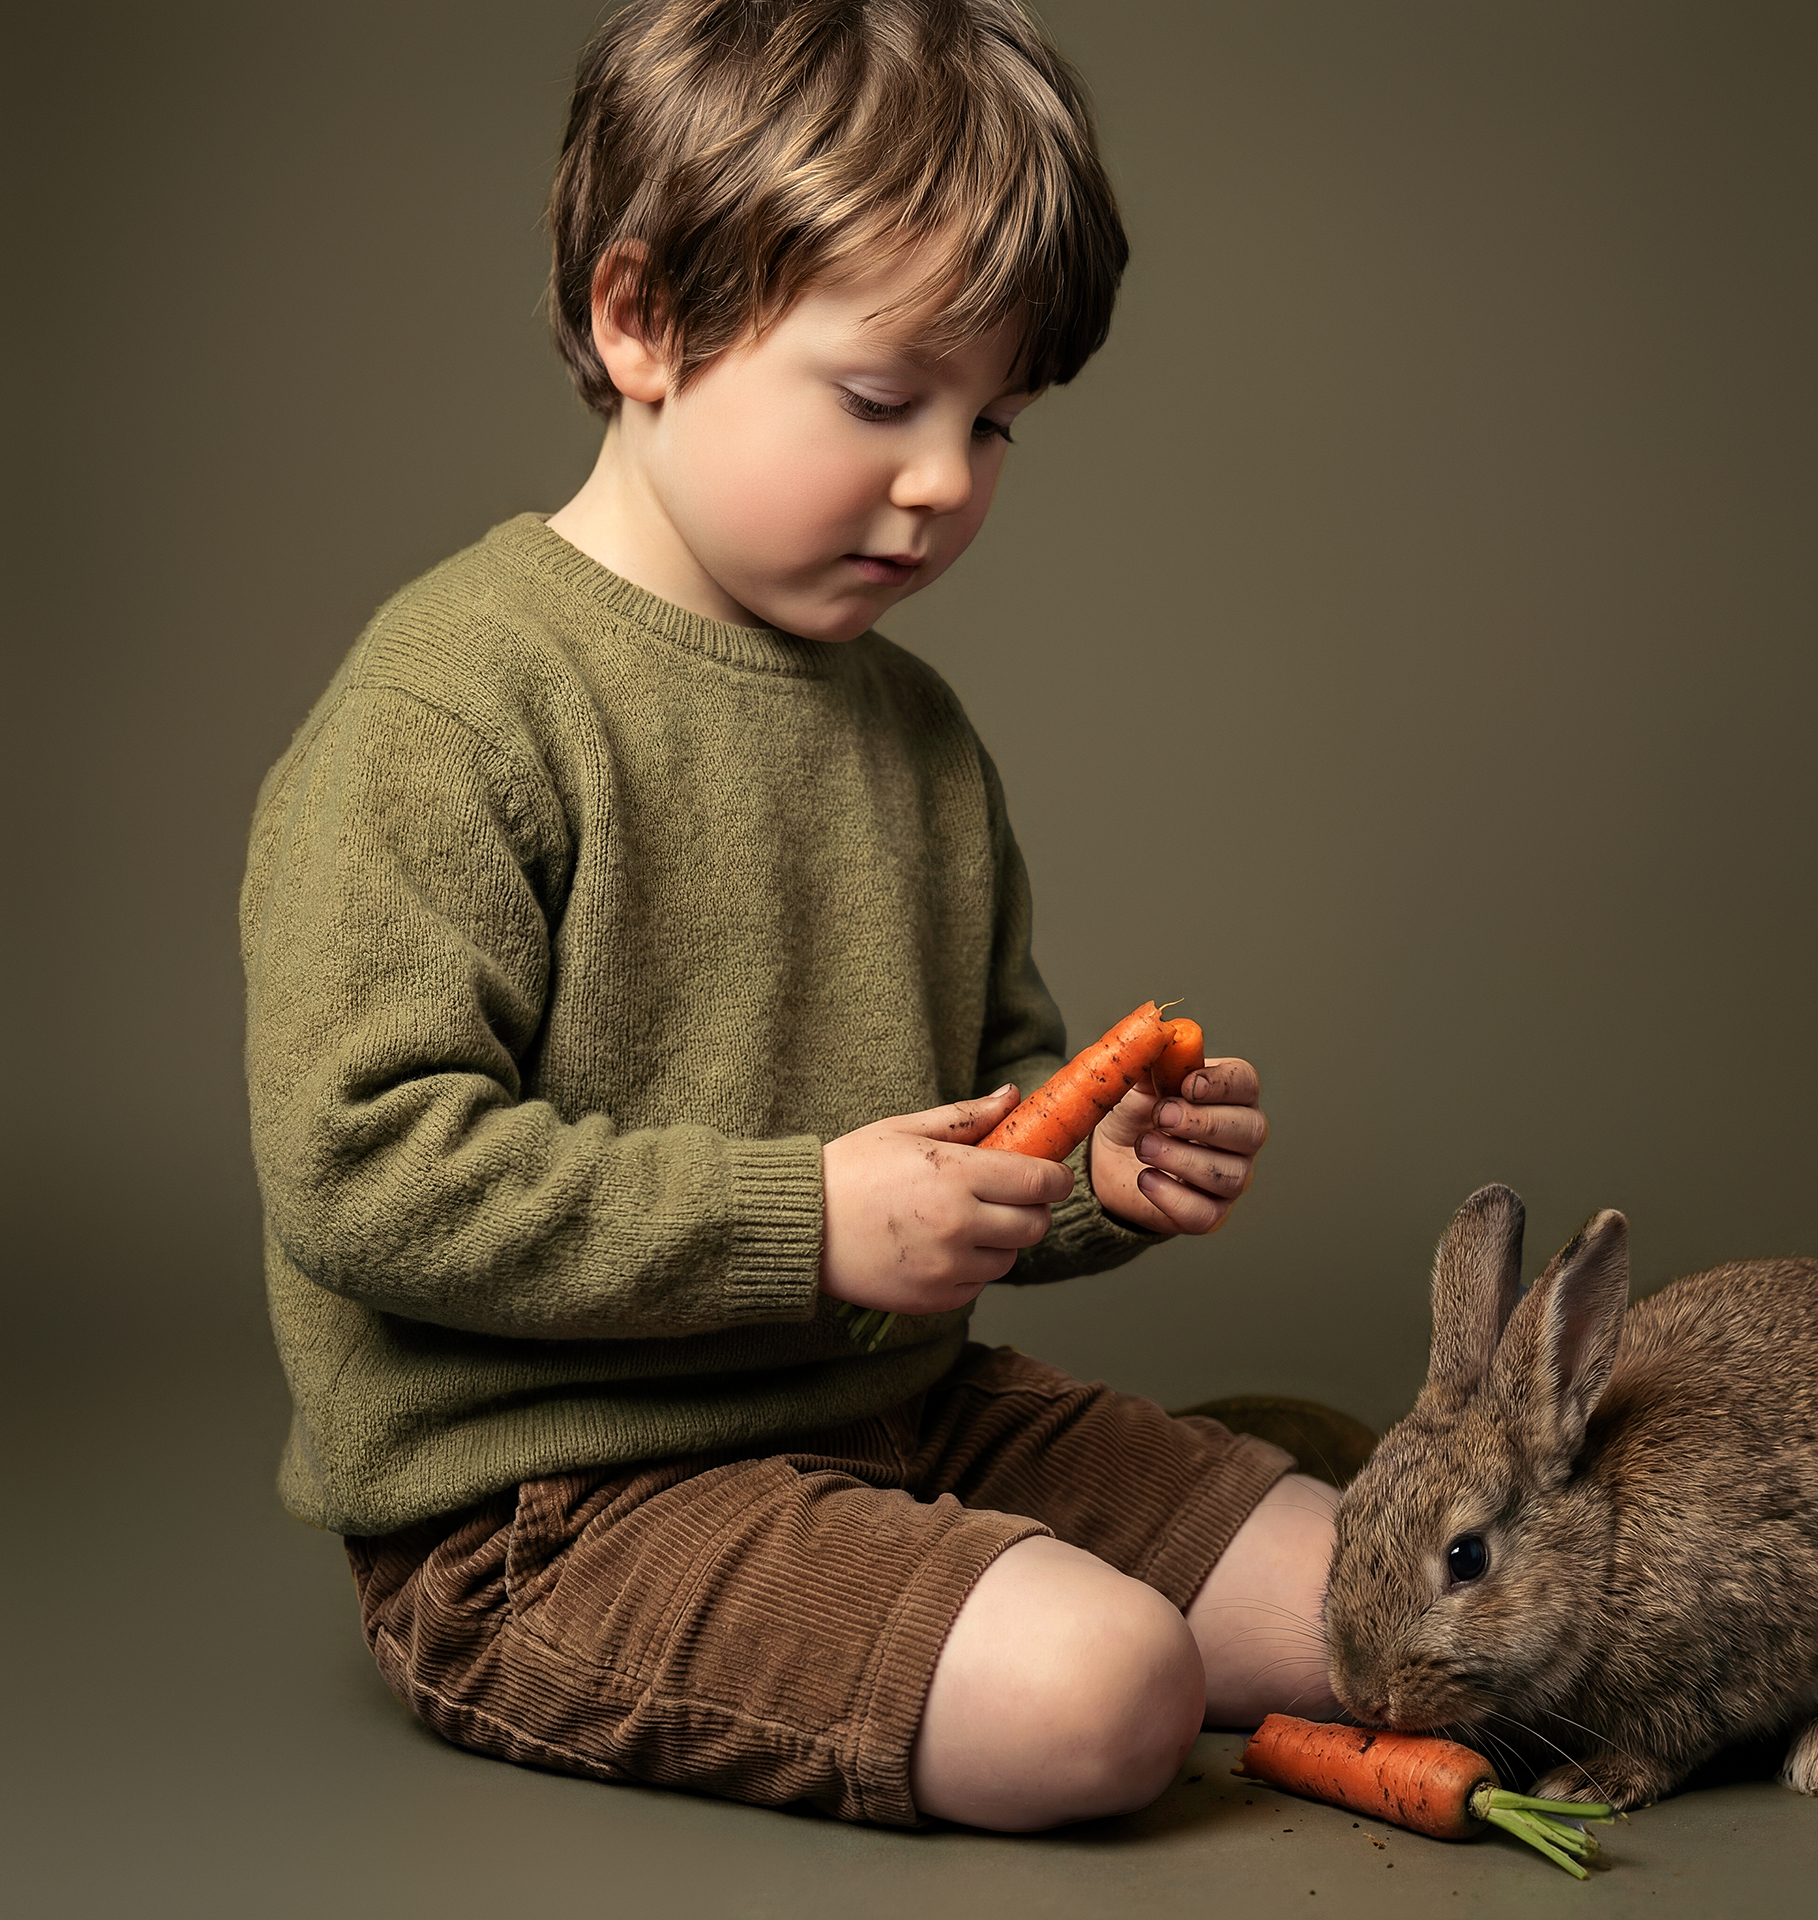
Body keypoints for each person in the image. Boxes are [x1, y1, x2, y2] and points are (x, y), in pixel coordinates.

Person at [241, 0, 1337, 1834]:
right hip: (563, 1507)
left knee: (1393, 1607)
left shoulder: (914, 735)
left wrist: (1088, 1174)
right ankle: (1037, 1602)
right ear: (643, 316)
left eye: (995, 423)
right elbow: (363, 1168)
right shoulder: (456, 702)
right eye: (881, 398)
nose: (942, 483)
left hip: (909, 1418)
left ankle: (1076, 1546)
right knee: (1113, 1696)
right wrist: (804, 1221)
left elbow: (981, 1113)